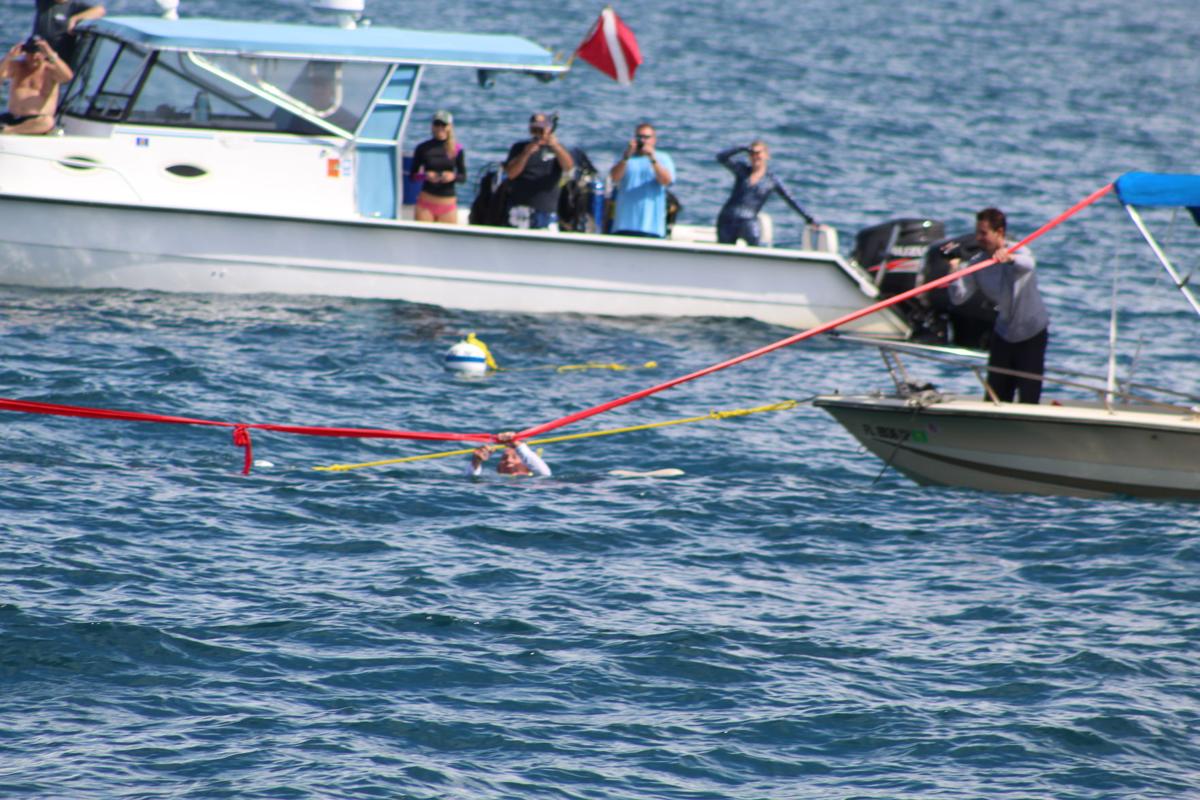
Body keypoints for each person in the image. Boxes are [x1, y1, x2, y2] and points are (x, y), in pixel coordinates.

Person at [947, 207, 1049, 404]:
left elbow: (1029, 264)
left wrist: (1009, 259)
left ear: (999, 232)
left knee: (1029, 399)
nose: (978, 238)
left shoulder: (1019, 250)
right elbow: (958, 297)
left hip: (1031, 334)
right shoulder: (978, 263)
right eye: (977, 232)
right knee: (995, 398)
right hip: (1003, 334)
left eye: (983, 233)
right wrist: (953, 269)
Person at [715, 141, 815, 246]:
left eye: (758, 153)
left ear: (767, 155)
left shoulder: (771, 180)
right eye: (752, 154)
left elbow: (791, 200)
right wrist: (742, 148)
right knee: (724, 250)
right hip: (728, 218)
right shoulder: (742, 170)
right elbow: (721, 157)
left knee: (755, 247)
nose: (755, 157)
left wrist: (810, 219)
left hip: (748, 220)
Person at [503, 112, 574, 229]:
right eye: (535, 129)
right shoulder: (520, 148)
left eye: (541, 128)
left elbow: (569, 167)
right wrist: (526, 153)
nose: (538, 133)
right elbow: (511, 173)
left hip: (547, 209)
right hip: (520, 209)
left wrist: (555, 146)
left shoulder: (557, 149)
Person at [609, 122, 675, 238]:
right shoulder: (625, 158)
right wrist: (625, 158)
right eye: (639, 137)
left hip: (651, 227)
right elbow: (614, 178)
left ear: (654, 140)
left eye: (646, 137)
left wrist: (652, 159)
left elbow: (666, 181)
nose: (643, 141)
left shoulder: (663, 158)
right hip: (624, 225)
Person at [0, 35, 72, 135]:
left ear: (44, 54)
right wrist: (9, 57)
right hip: (12, 117)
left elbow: (67, 77)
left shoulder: (50, 70)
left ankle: (9, 130)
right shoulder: (18, 66)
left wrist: (52, 55)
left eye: (38, 53)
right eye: (30, 53)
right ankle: (8, 129)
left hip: (36, 120)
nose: (34, 57)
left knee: (47, 122)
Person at [409, 110, 466, 224]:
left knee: (447, 240)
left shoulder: (457, 149)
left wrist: (452, 177)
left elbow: (463, 177)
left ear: (449, 127)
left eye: (443, 125)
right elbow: (412, 176)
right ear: (432, 126)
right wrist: (425, 176)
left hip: (448, 204)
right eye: (437, 124)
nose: (440, 128)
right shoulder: (423, 148)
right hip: (426, 203)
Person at [33, 0, 104, 64]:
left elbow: (100, 11)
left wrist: (75, 19)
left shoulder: (74, 5)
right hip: (38, 54)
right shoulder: (43, 3)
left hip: (60, 57)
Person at [466, 432, 551, 477]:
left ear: (527, 467)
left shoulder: (535, 479)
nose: (508, 460)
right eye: (504, 458)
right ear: (498, 467)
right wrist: (476, 461)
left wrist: (516, 443)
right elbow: (471, 480)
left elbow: (545, 474)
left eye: (514, 457)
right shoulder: (494, 479)